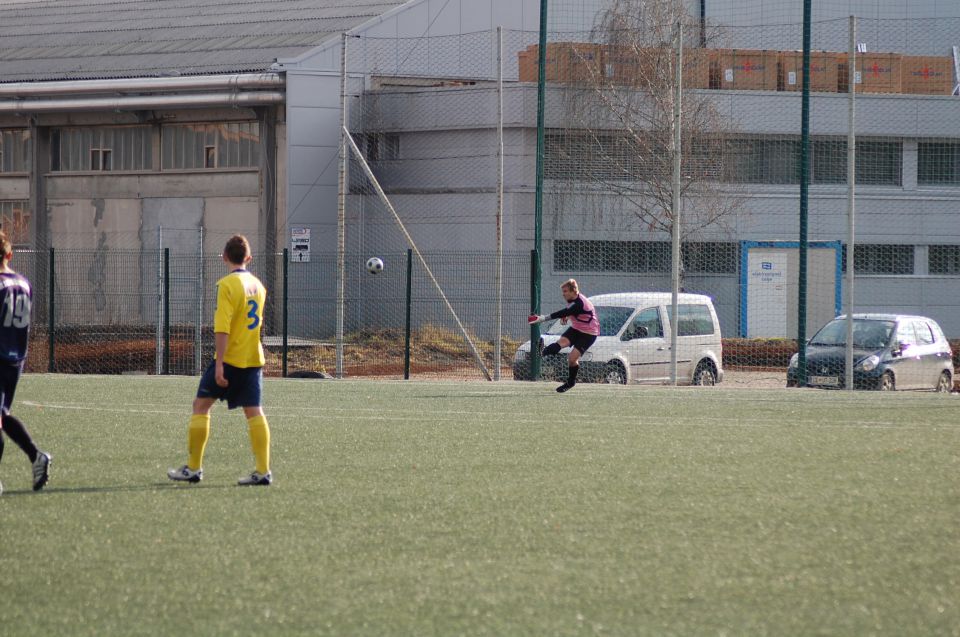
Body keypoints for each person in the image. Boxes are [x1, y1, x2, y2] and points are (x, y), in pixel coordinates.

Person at [168, 235, 272, 486]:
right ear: (248, 258)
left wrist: (219, 363)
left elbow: (222, 327)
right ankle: (263, 471)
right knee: (254, 411)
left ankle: (193, 469)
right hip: (253, 357)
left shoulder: (226, 285)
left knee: (201, 406)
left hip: (231, 359)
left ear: (224, 257)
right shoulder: (258, 285)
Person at [0, 230, 51, 495]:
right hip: (15, 358)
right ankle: (36, 456)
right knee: (2, 415)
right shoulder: (24, 282)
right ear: (9, 254)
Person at [528, 279, 600, 393]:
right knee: (561, 343)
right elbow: (569, 311)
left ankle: (571, 382)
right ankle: (541, 353)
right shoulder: (572, 299)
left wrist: (542, 318)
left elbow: (563, 312)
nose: (563, 294)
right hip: (576, 329)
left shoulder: (580, 303)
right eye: (563, 291)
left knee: (572, 359)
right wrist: (567, 315)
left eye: (565, 291)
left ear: (574, 291)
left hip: (589, 334)